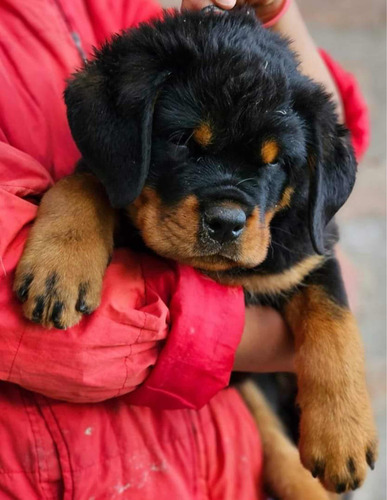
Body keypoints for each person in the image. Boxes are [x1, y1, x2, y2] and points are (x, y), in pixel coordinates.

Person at [0, 0, 368, 498]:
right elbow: (100, 171)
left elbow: (324, 229)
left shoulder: (117, 7)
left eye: (268, 165)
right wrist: (79, 199)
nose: (230, 214)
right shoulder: (139, 87)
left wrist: (278, 12)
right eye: (187, 144)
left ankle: (272, 441)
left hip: (218, 460)